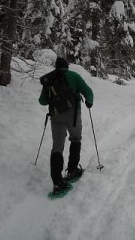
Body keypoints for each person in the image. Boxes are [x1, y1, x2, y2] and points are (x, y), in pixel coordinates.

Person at [39, 57, 94, 195]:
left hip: (55, 116)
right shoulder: (73, 76)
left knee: (57, 146)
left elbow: (42, 101)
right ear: (67, 67)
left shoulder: (50, 79)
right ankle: (72, 170)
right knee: (75, 138)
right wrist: (89, 102)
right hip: (73, 115)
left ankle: (58, 183)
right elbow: (88, 92)